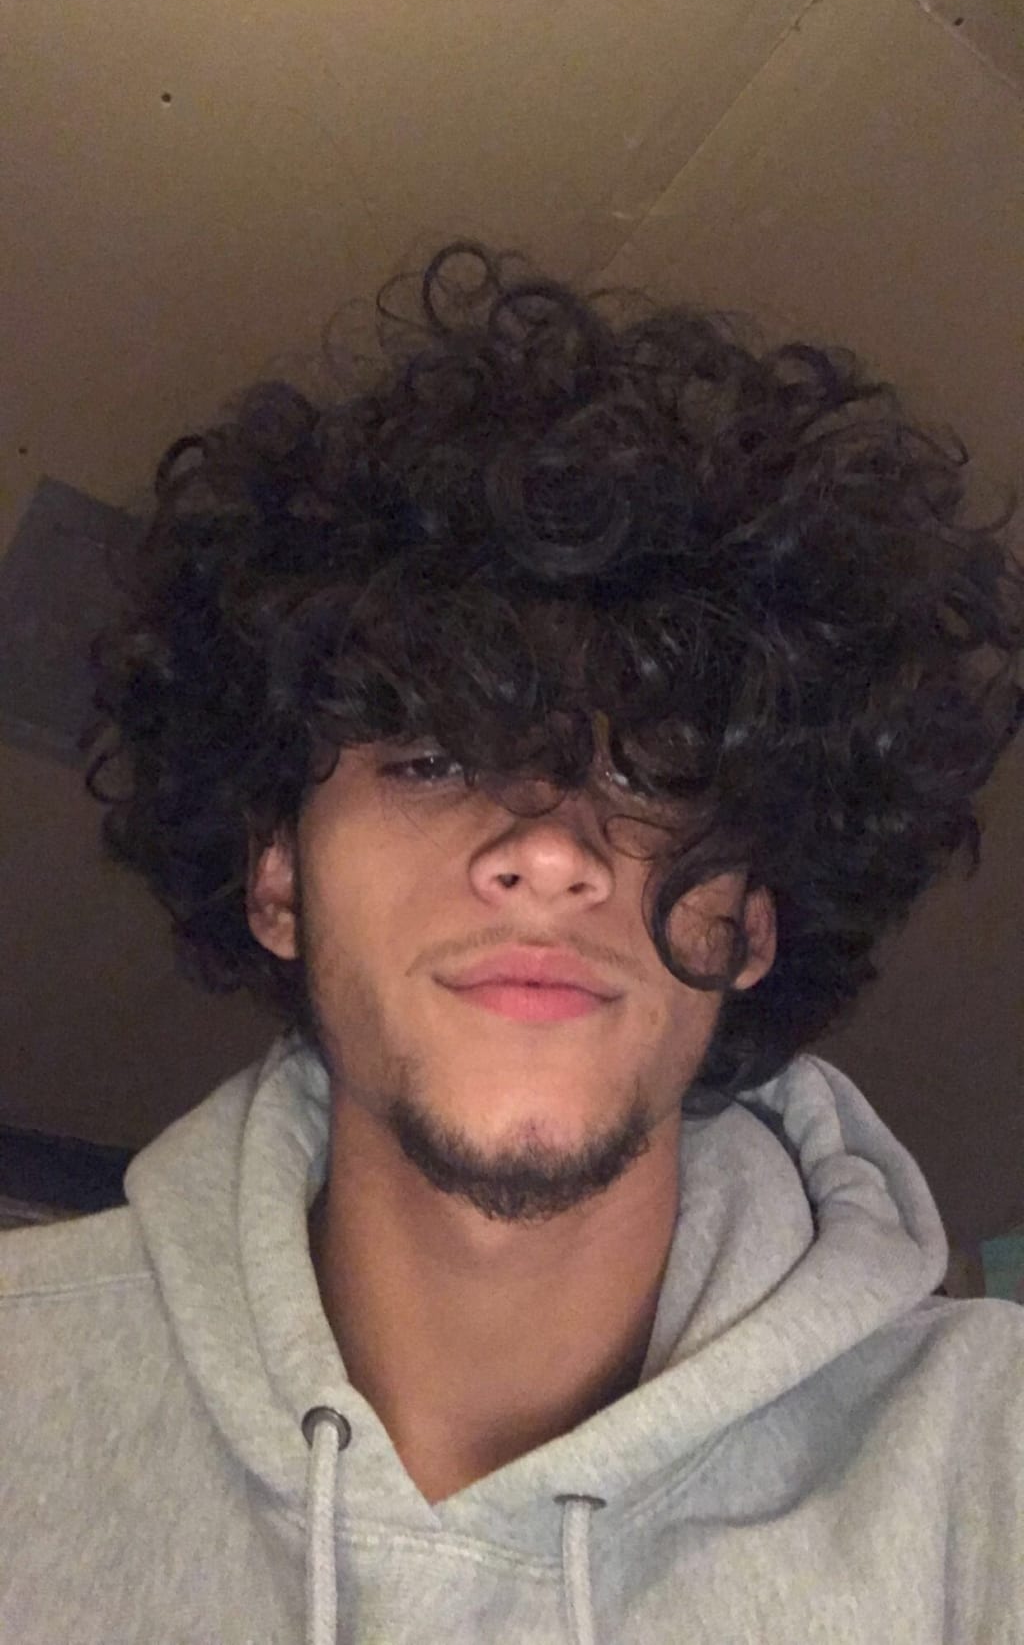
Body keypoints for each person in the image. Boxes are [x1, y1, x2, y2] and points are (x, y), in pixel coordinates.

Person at [2, 239, 1022, 1644]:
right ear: (278, 882)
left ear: (749, 922)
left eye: (654, 773)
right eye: (429, 758)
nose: (547, 847)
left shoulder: (993, 1468)